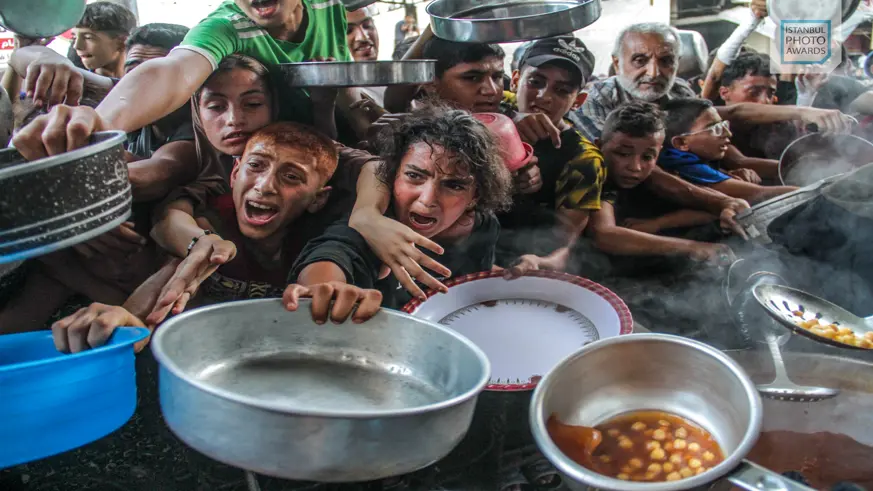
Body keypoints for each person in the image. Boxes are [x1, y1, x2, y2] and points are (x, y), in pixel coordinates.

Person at [11, 0, 350, 160]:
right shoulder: (225, 27)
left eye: (252, 103)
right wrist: (98, 124)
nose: (233, 118)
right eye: (217, 105)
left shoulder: (330, 5)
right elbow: (172, 72)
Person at [288, 106, 513, 309]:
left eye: (453, 185)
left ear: (475, 197)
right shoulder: (371, 231)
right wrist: (325, 291)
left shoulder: (483, 226)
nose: (427, 199)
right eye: (414, 176)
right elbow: (333, 255)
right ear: (393, 176)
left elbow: (475, 289)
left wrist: (513, 276)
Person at [497, 36, 604, 274]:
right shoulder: (493, 111)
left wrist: (540, 263)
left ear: (578, 101)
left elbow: (563, 238)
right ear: (515, 80)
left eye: (562, 90)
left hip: (522, 264)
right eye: (535, 82)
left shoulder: (583, 158)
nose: (544, 96)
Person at [586, 102, 738, 270]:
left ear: (658, 154)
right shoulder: (595, 172)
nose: (635, 167)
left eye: (647, 157)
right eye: (623, 154)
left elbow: (703, 204)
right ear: (598, 146)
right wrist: (693, 247)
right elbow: (605, 235)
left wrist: (660, 223)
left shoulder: (655, 175)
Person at [660, 98, 796, 203]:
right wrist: (806, 192)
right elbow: (758, 194)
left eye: (724, 125)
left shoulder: (693, 155)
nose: (728, 133)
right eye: (715, 129)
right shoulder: (680, 163)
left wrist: (728, 175)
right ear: (681, 142)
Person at [72, 2, 138, 79]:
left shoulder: (142, 81)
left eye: (88, 37)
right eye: (74, 38)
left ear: (122, 42)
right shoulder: (77, 83)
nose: (76, 46)